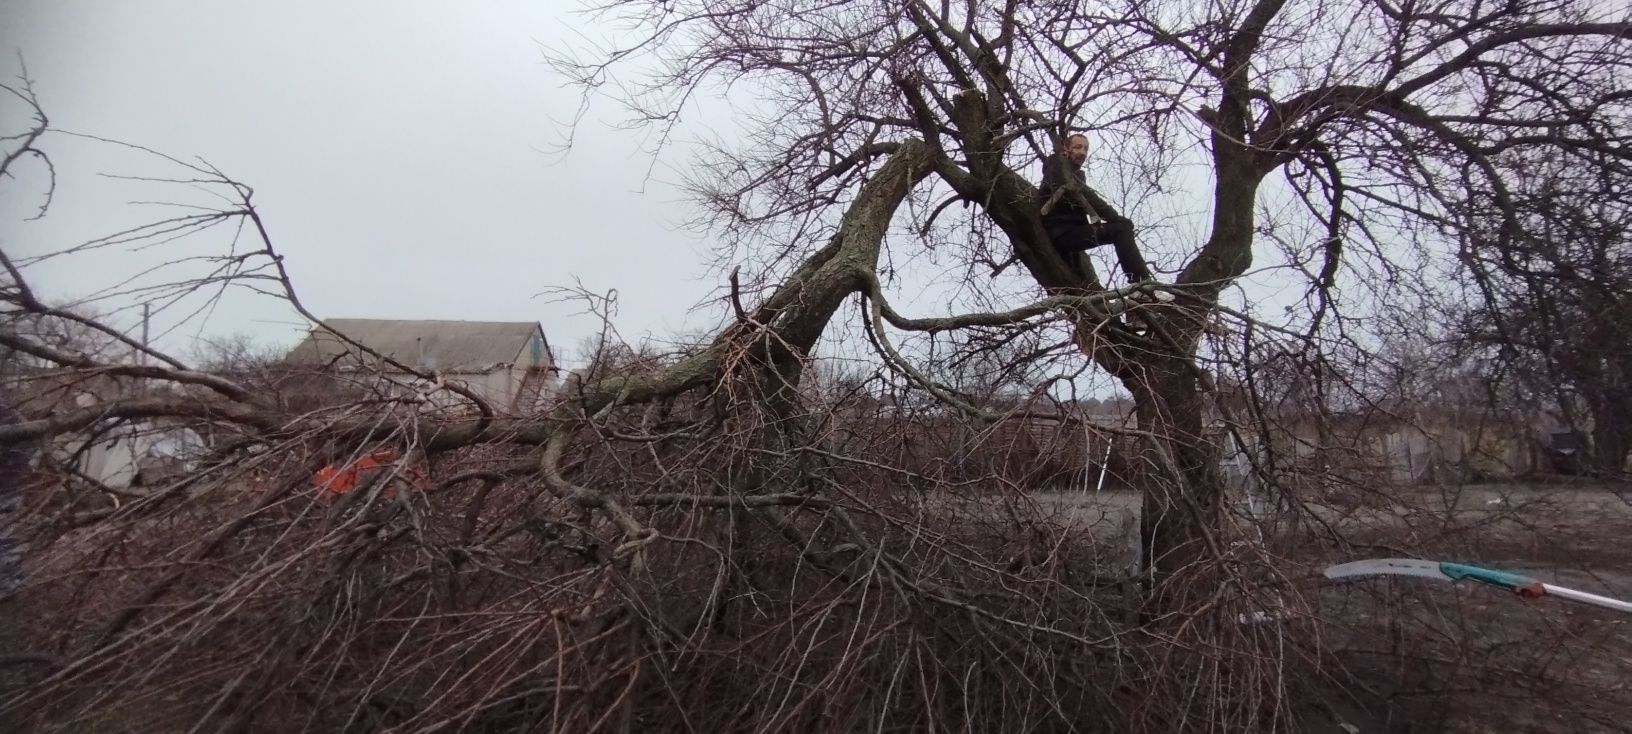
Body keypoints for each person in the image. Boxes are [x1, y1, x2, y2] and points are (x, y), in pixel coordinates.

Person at [1037, 133, 1155, 284]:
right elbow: (1088, 197)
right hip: (1062, 234)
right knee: (1121, 228)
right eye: (1078, 147)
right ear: (1066, 149)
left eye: (1086, 149)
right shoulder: (1058, 167)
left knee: (1083, 282)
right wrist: (1116, 218)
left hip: (1070, 233)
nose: (1082, 153)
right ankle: (1141, 283)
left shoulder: (1071, 171)